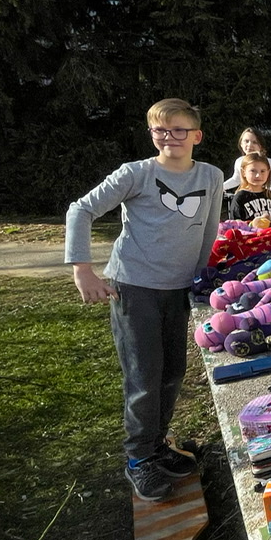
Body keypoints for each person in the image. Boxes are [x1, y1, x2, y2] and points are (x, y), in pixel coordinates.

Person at [65, 99, 223, 502]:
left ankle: (156, 446)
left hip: (179, 289)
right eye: (160, 131)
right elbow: (80, 210)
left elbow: (208, 229)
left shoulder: (212, 175)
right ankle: (138, 459)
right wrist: (82, 268)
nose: (170, 138)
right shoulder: (136, 174)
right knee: (143, 376)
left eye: (179, 130)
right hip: (133, 288)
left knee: (172, 371)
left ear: (197, 136)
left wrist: (201, 277)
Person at [223, 127, 271, 198]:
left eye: (254, 142)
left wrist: (259, 193)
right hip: (249, 203)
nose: (250, 145)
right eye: (246, 141)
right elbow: (236, 179)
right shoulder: (239, 161)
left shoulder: (269, 162)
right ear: (241, 144)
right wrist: (221, 187)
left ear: (261, 146)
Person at [229, 152, 271, 223]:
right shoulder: (240, 197)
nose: (258, 175)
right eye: (253, 171)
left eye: (262, 171)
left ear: (268, 172)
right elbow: (236, 225)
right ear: (243, 172)